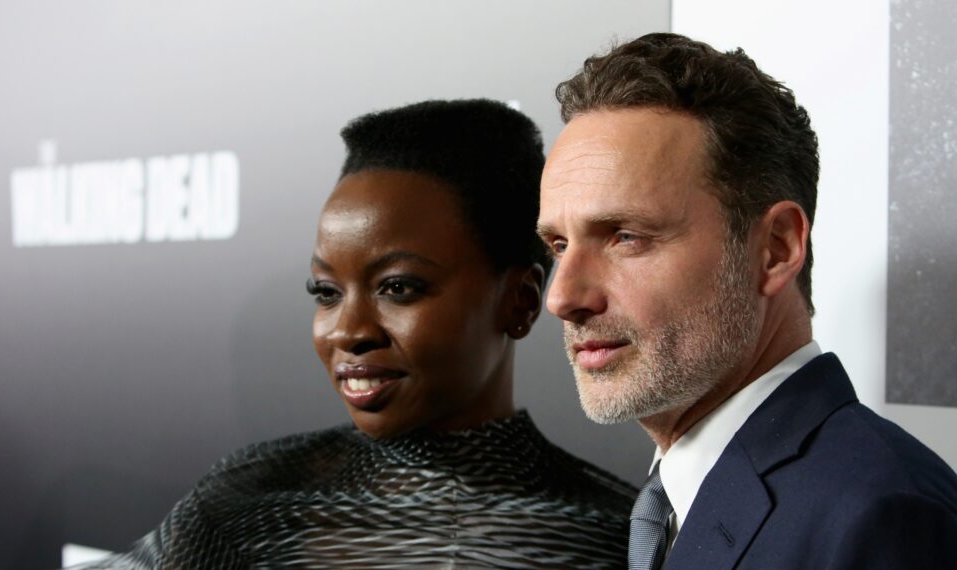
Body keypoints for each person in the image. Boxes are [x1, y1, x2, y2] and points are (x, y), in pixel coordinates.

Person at [71, 99, 636, 569]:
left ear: (521, 301)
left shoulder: (620, 537)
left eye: (398, 288)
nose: (349, 331)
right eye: (326, 293)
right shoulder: (249, 496)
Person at [536, 33, 957, 569]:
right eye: (559, 246)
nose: (563, 296)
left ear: (775, 249)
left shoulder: (883, 518)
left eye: (625, 236)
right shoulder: (684, 495)